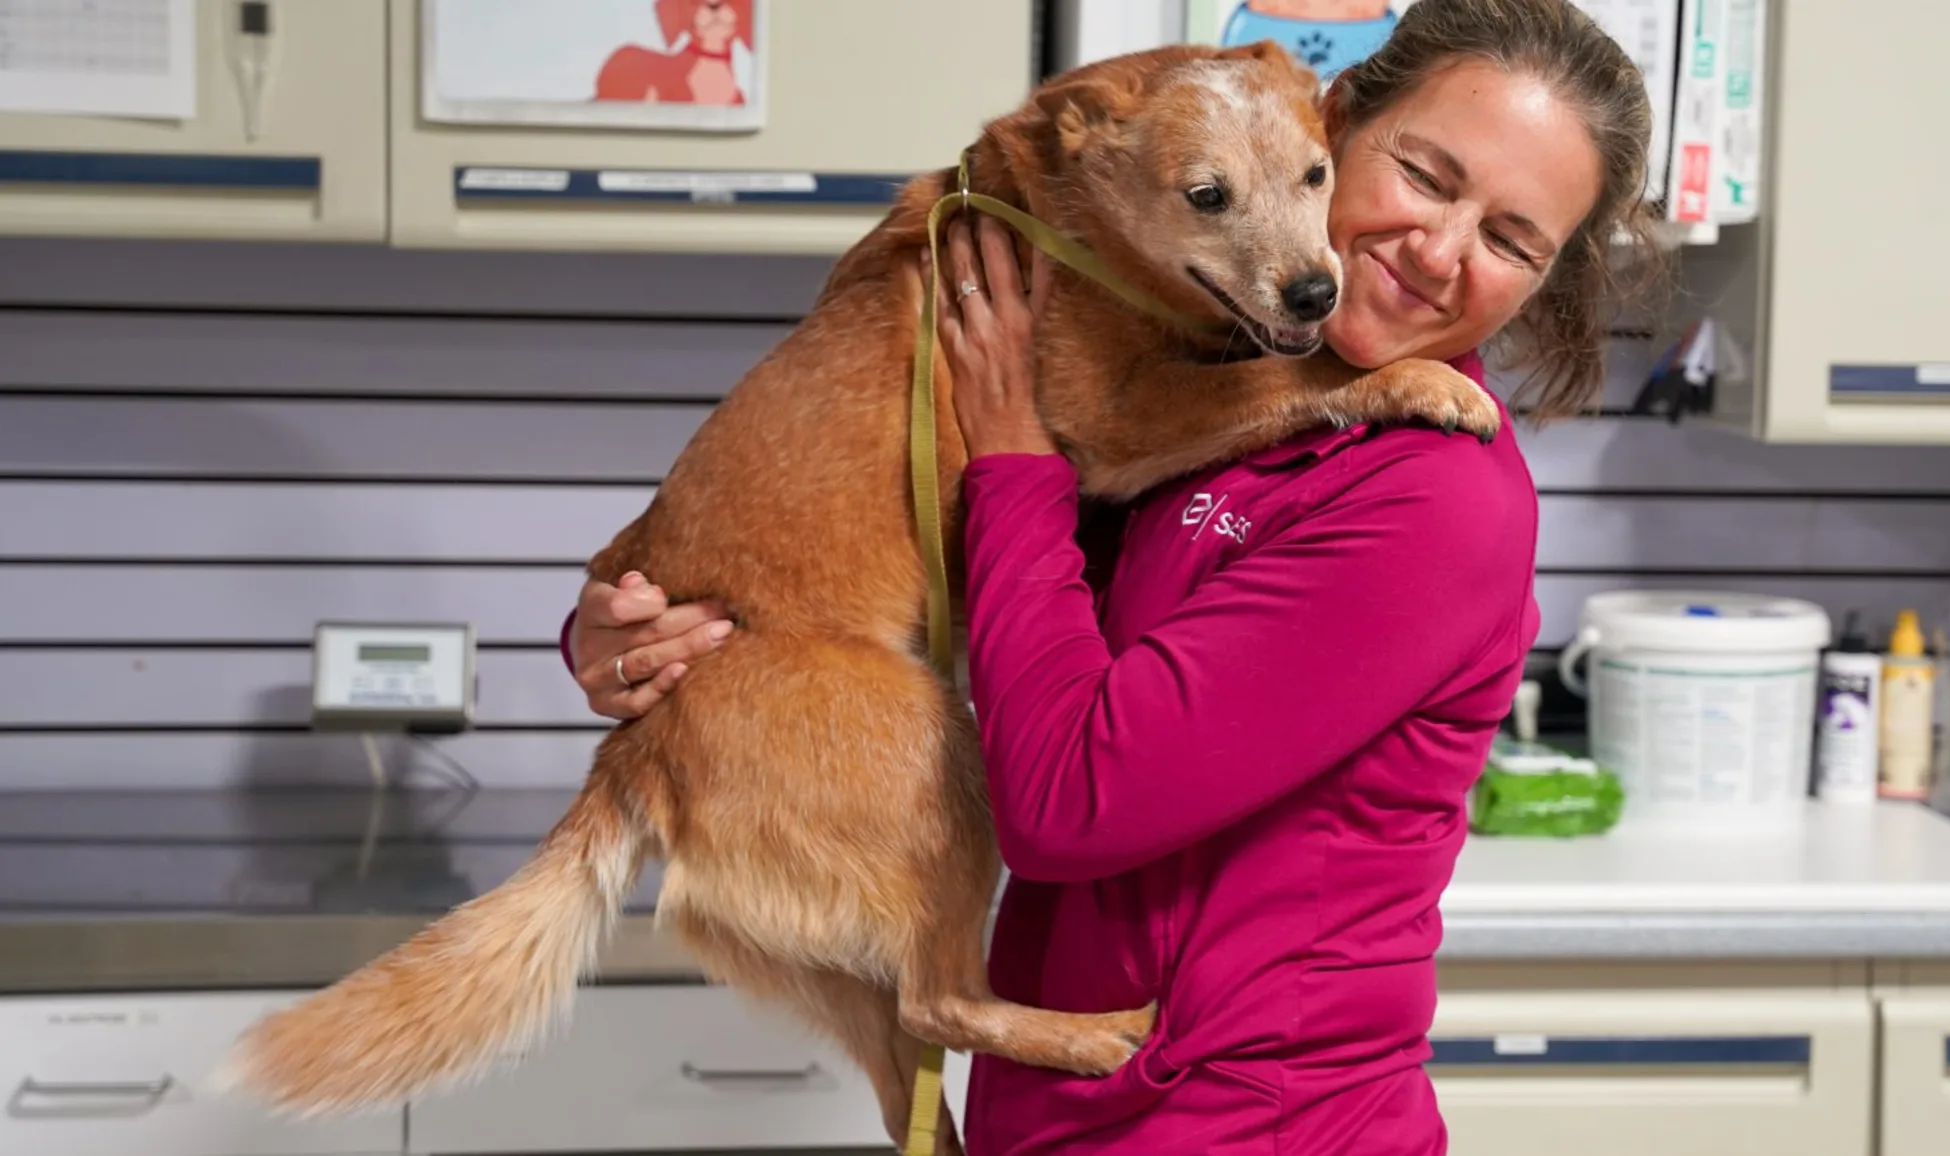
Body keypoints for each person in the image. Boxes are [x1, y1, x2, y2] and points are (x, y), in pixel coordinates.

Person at [559, 1, 1657, 1150]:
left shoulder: (1431, 499)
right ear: (1331, 124)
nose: (1437, 251)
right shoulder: (1214, 392)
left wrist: (1021, 459)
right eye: (1424, 175)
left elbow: (1070, 800)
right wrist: (641, 628)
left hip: (1243, 1122)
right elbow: (859, 509)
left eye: (1511, 240)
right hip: (1082, 1102)